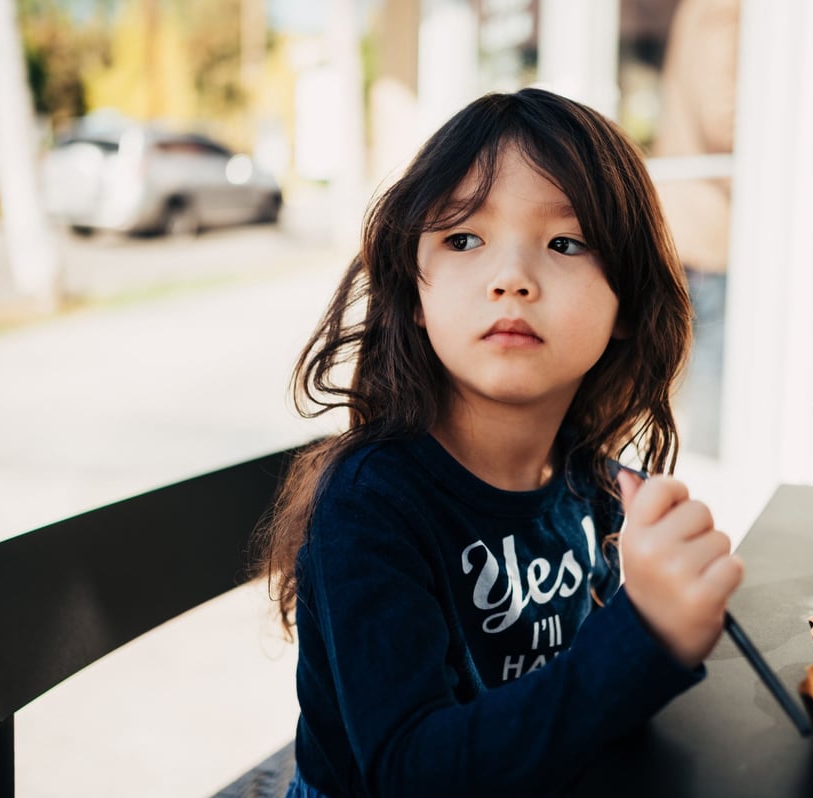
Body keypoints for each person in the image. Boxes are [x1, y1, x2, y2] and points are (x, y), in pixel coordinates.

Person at [255, 88, 744, 798]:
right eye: (463, 239)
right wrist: (643, 638)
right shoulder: (371, 506)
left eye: (565, 243)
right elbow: (410, 774)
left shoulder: (595, 485)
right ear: (412, 295)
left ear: (628, 306)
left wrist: (668, 603)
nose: (511, 278)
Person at [652, 0, 739, 457]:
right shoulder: (724, 10)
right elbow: (721, 118)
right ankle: (706, 477)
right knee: (709, 369)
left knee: (691, 368)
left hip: (694, 218)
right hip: (707, 223)